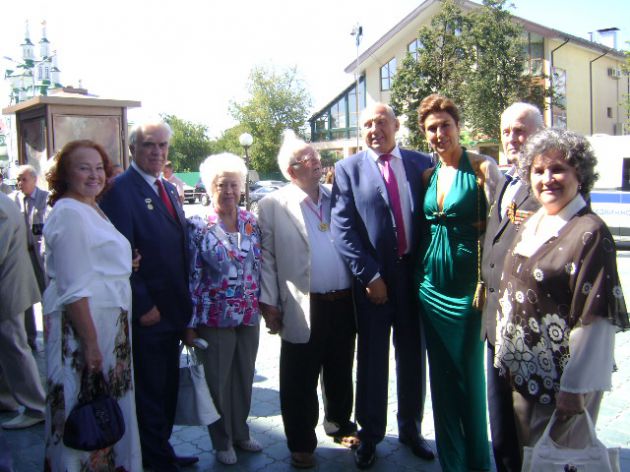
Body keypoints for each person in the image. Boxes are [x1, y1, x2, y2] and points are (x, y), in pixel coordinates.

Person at [494, 127, 629, 452]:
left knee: (559, 460)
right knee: (532, 458)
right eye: (538, 170)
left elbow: (595, 319)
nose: (547, 179)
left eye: (558, 169)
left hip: (563, 387)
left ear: (579, 174)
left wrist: (575, 388)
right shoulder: (536, 221)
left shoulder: (589, 232)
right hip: (526, 374)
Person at [331, 103, 434, 469]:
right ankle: (370, 434)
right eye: (367, 124)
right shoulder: (347, 169)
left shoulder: (423, 163)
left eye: (381, 122)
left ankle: (411, 429)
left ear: (396, 124)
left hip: (414, 278)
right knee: (372, 360)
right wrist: (369, 275)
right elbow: (343, 228)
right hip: (374, 281)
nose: (374, 129)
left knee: (413, 358)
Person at [100, 121, 197, 472]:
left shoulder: (167, 188)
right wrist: (143, 304)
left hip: (173, 310)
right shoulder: (119, 191)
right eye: (149, 145)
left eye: (162, 145)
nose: (157, 152)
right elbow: (121, 255)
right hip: (150, 313)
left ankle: (162, 450)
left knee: (167, 388)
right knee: (151, 392)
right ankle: (155, 461)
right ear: (132, 149)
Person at [258, 131, 357, 469]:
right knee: (299, 376)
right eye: (307, 159)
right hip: (302, 303)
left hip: (342, 301)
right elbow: (267, 257)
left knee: (340, 367)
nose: (317, 162)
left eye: (316, 156)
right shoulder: (273, 205)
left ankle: (340, 424)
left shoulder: (336, 196)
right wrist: (269, 303)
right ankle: (301, 443)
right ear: (291, 171)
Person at [41, 140, 142, 470]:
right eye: (83, 168)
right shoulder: (69, 212)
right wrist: (90, 344)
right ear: (64, 174)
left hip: (107, 327)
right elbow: (72, 288)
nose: (94, 175)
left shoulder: (90, 206)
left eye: (99, 167)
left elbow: (93, 259)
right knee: (82, 410)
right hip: (85, 329)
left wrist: (124, 263)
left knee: (105, 410)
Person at [416, 94, 501, 472]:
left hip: (469, 291)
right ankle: (452, 463)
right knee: (442, 380)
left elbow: (502, 228)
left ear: (458, 126)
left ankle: (478, 463)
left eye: (445, 125)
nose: (439, 134)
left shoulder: (482, 168)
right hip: (430, 288)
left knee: (469, 378)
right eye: (431, 128)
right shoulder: (428, 176)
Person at [184, 152, 262, 465]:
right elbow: (191, 276)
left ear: (241, 187)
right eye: (221, 185)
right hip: (214, 316)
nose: (228, 191)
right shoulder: (198, 225)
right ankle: (222, 440)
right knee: (218, 381)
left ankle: (241, 432)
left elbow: (259, 265)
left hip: (248, 313)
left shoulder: (250, 221)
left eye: (233, 184)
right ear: (209, 187)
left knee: (243, 376)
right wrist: (189, 323)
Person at [481, 102, 543, 472]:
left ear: (540, 132)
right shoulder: (506, 181)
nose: (512, 138)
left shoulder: (548, 184)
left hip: (529, 328)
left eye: (520, 130)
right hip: (495, 325)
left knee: (528, 424)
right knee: (500, 419)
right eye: (506, 131)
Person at [0, 192, 46, 431]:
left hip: (8, 286)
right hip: (10, 283)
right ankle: (6, 398)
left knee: (14, 345)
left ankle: (36, 405)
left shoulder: (2, 208)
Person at [10, 165, 48, 351]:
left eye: (23, 179)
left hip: (40, 255)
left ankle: (50, 335)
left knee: (46, 295)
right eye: (18, 179)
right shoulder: (12, 200)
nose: (20, 183)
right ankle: (29, 338)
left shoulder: (45, 198)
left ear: (34, 179)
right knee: (24, 299)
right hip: (21, 256)